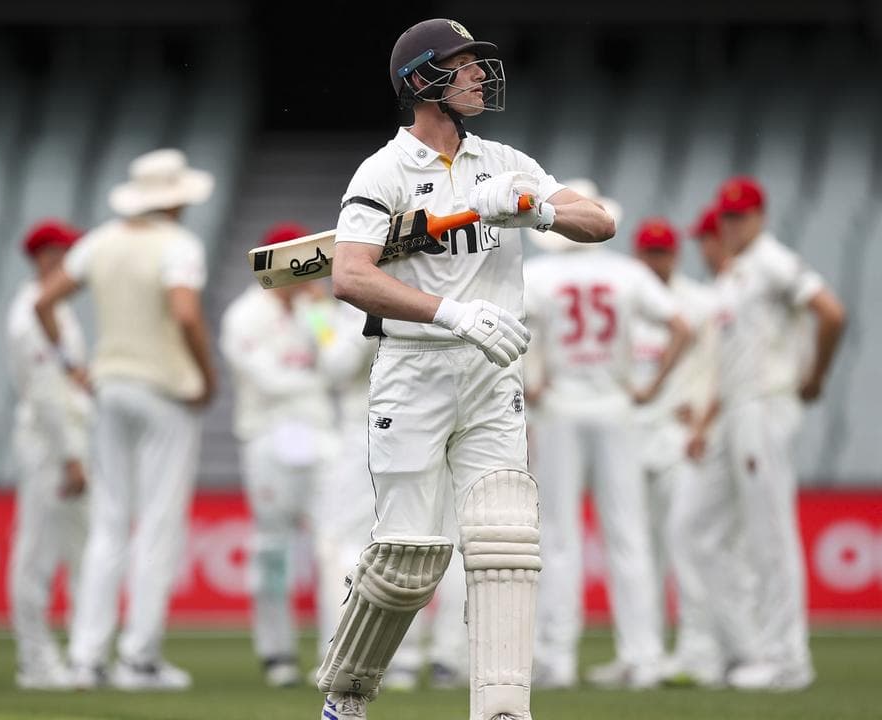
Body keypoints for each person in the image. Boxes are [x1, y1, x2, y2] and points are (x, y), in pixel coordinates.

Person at [316, 18, 615, 720]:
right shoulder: (383, 172)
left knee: (504, 542)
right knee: (410, 558)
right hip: (414, 371)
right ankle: (346, 696)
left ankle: (502, 708)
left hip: (493, 378)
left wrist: (535, 208)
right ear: (423, 81)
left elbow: (600, 222)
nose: (481, 74)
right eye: (465, 64)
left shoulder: (505, 160)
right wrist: (450, 313)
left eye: (480, 64)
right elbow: (350, 276)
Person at [33, 148, 217, 691]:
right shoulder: (178, 244)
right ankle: (139, 658)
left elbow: (42, 304)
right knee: (157, 524)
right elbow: (185, 313)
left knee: (109, 524)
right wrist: (206, 375)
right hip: (164, 390)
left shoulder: (100, 241)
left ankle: (87, 658)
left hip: (109, 388)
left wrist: (75, 368)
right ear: (176, 198)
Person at [523, 207, 691, 691]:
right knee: (629, 534)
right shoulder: (627, 272)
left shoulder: (538, 275)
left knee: (558, 536)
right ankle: (643, 657)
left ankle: (557, 658)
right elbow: (682, 326)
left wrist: (530, 381)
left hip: (561, 409)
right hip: (617, 408)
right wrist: (651, 387)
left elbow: (509, 329)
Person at [696, 177, 847, 690]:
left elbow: (831, 312)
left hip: (765, 406)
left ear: (760, 217)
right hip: (736, 412)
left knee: (769, 534)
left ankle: (787, 662)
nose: (732, 225)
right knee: (701, 531)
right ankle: (748, 649)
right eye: (727, 217)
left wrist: (815, 377)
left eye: (741, 216)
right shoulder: (736, 274)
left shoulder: (772, 261)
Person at [316, 299, 469, 692]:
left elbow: (334, 367)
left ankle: (373, 656)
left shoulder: (369, 298)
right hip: (448, 429)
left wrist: (318, 322)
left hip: (371, 430)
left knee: (356, 542)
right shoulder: (453, 292)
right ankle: (447, 657)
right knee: (445, 542)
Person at [221, 223, 339, 688]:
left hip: (320, 434)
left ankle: (334, 651)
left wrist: (320, 313)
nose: (304, 270)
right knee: (273, 547)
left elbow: (336, 363)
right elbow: (267, 381)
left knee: (333, 546)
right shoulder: (244, 316)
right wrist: (313, 378)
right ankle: (276, 652)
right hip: (269, 436)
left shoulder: (316, 310)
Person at [624, 214, 726, 688]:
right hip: (628, 437)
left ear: (676, 254)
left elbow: (715, 365)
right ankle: (643, 653)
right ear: (636, 253)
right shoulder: (623, 297)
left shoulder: (699, 304)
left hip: (676, 437)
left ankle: (697, 650)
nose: (655, 260)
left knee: (685, 544)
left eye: (663, 252)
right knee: (638, 551)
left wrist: (702, 414)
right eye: (648, 251)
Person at [5, 220, 93, 690]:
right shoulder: (29, 314)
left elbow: (66, 376)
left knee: (81, 552)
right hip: (48, 445)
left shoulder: (57, 310)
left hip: (70, 439)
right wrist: (70, 456)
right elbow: (44, 394)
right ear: (45, 259)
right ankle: (35, 662)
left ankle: (82, 656)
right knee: (36, 555)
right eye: (65, 256)